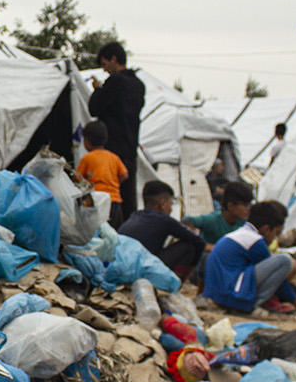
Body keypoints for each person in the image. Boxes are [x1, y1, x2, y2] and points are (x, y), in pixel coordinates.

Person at [202, 199, 296, 318]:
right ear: (266, 229)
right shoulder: (256, 241)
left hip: (220, 292)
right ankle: (253, 305)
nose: (275, 238)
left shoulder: (242, 233)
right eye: (276, 233)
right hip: (231, 293)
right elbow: (279, 280)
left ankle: (252, 302)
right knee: (285, 261)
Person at [87, 41, 145, 223]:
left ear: (114, 59)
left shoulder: (116, 82)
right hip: (130, 146)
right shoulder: (138, 85)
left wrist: (98, 90)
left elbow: (94, 108)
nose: (104, 70)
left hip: (111, 147)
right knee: (128, 197)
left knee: (108, 198)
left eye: (104, 64)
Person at [120, 181, 208, 278]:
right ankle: (175, 284)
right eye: (170, 204)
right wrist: (191, 270)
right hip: (143, 269)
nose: (171, 209)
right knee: (189, 246)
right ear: (162, 204)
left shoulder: (135, 215)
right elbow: (200, 242)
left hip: (122, 267)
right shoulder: (164, 220)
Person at [75, 120, 130, 225]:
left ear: (87, 141)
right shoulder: (113, 157)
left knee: (98, 230)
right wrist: (114, 183)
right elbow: (125, 175)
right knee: (112, 228)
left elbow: (77, 178)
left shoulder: (87, 158)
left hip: (96, 200)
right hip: (114, 200)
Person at [183, 178, 252, 246]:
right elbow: (187, 220)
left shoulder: (243, 222)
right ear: (230, 206)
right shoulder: (213, 219)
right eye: (245, 205)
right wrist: (204, 245)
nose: (248, 209)